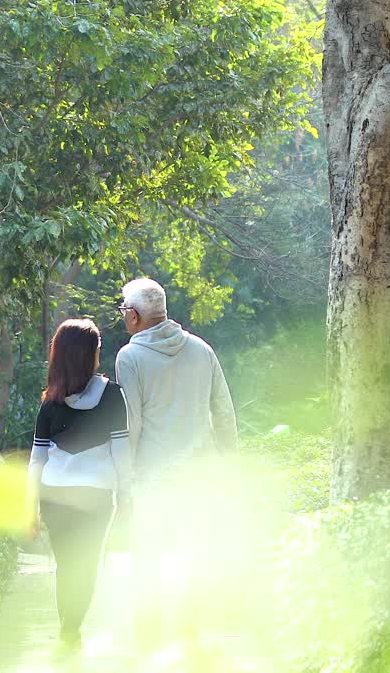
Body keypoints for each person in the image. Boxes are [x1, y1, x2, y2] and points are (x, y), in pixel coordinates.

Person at [113, 277, 237, 649]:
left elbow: (131, 423)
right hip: (199, 474)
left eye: (123, 311)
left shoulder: (129, 357)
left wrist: (123, 479)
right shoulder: (202, 350)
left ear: (133, 316)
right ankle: (190, 630)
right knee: (192, 552)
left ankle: (148, 635)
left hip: (153, 477)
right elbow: (225, 414)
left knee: (148, 555)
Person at [26, 318, 133, 656]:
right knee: (85, 565)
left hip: (53, 495)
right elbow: (122, 453)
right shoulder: (113, 395)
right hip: (96, 496)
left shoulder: (50, 402)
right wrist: (127, 496)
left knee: (66, 565)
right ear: (90, 355)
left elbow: (36, 461)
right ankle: (71, 630)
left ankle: (67, 632)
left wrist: (30, 508)